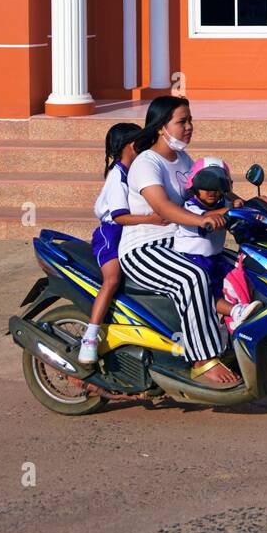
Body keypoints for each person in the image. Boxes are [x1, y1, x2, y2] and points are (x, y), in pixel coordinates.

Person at [117, 94, 243, 389]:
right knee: (194, 277)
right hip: (145, 250)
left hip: (180, 243)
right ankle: (202, 360)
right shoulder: (147, 163)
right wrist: (201, 220)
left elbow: (209, 191)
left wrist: (243, 202)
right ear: (161, 127)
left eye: (190, 121)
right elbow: (162, 207)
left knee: (235, 267)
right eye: (182, 121)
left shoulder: (186, 161)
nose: (189, 127)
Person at [79, 123, 168, 365]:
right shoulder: (118, 174)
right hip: (112, 234)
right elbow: (118, 215)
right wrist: (152, 219)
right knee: (113, 279)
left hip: (134, 231)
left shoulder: (138, 171)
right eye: (141, 142)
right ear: (131, 146)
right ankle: (90, 336)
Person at [181, 158, 260, 332]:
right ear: (194, 186)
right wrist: (232, 208)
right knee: (206, 292)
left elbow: (236, 208)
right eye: (206, 186)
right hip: (194, 259)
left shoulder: (223, 203)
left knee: (244, 274)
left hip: (216, 257)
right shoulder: (189, 208)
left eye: (217, 187)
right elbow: (206, 216)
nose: (212, 192)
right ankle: (235, 311)